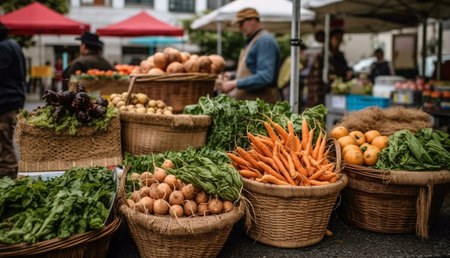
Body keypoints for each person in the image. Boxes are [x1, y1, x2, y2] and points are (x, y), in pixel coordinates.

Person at [219, 8, 281, 104]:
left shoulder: (265, 41)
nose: (240, 28)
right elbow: (253, 72)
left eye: (241, 23)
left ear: (252, 20)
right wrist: (233, 75)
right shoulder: (254, 40)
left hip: (262, 105)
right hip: (252, 104)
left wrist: (235, 83)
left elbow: (265, 77)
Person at [0, 22, 26, 179]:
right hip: (13, 99)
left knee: (4, 146)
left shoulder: (3, 48)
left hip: (5, 103)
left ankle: (7, 181)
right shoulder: (12, 44)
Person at [306, 28, 353, 107]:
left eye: (340, 39)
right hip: (320, 94)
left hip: (335, 93)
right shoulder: (321, 56)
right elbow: (316, 79)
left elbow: (344, 69)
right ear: (330, 39)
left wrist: (349, 73)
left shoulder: (339, 55)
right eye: (336, 38)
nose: (338, 41)